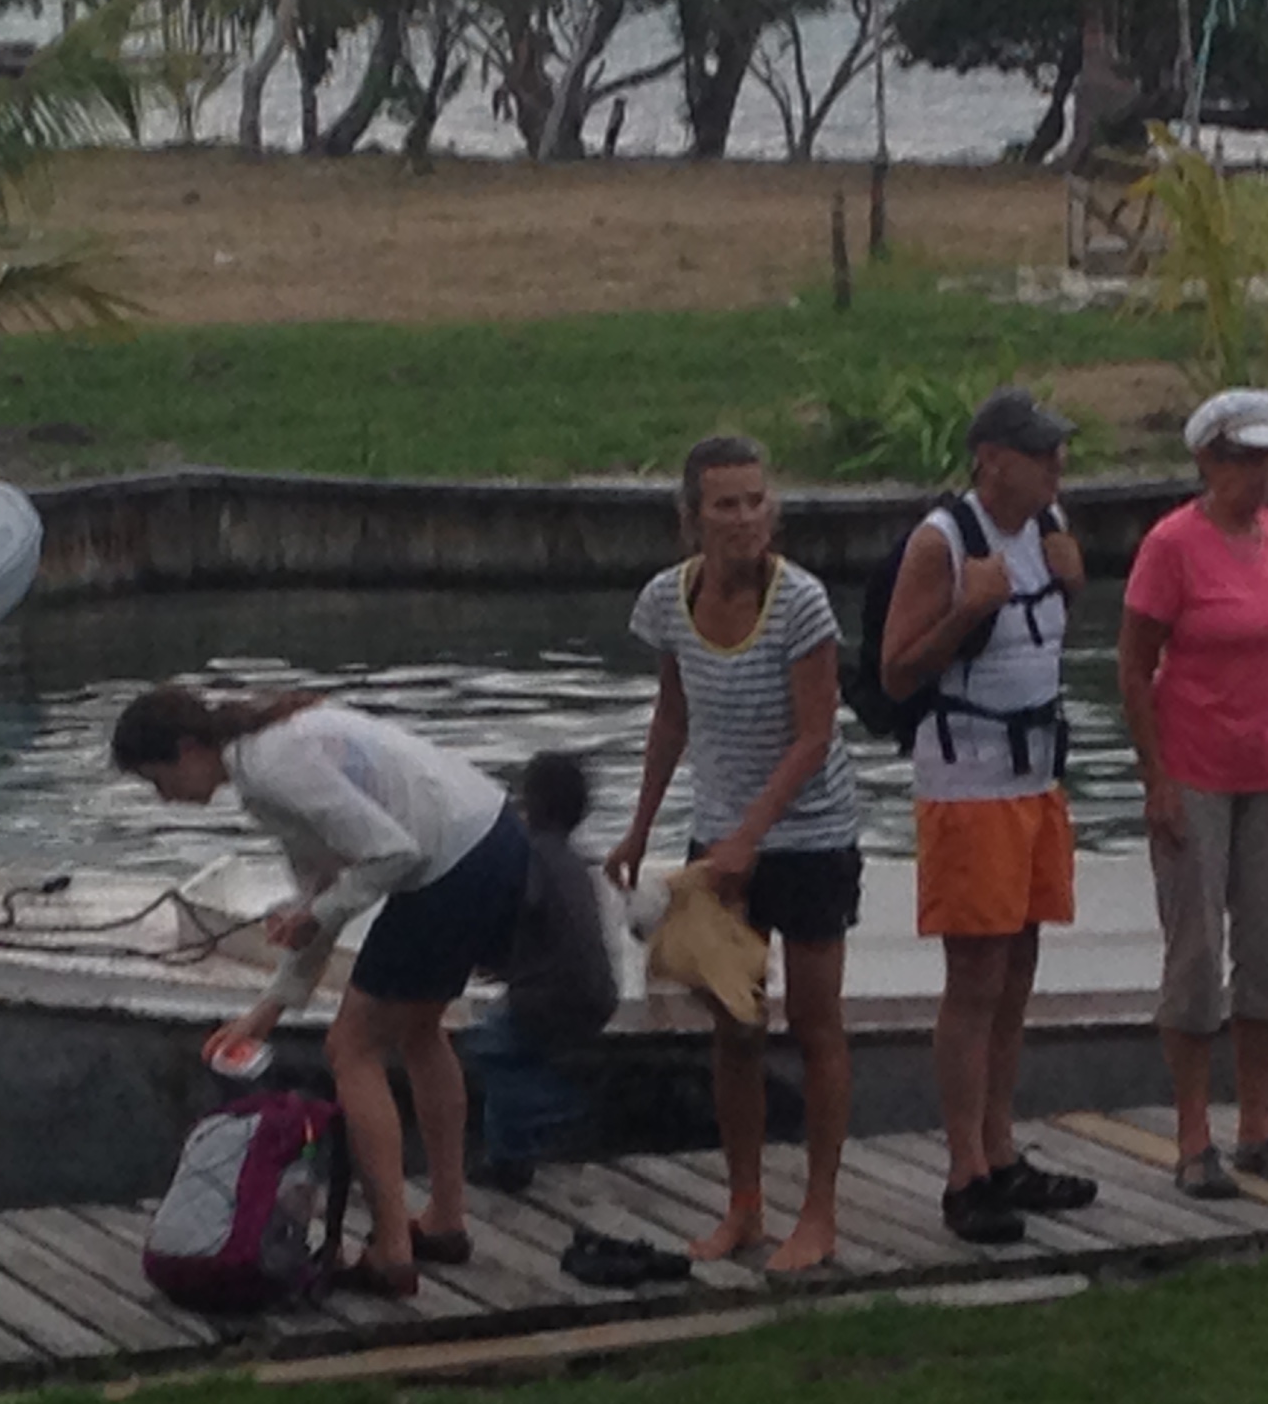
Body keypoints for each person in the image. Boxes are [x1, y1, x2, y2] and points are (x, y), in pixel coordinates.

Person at [112, 686, 527, 1299]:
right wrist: (267, 1010)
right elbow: (323, 892)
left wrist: (318, 913)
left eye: (158, 779)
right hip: (494, 838)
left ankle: (391, 1253)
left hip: (451, 864)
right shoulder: (264, 758)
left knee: (351, 1049)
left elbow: (391, 854)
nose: (164, 797)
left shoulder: (272, 769)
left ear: (188, 748)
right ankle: (444, 1220)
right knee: (418, 1032)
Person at [605, 435, 859, 1273]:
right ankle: (744, 1204)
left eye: (756, 501)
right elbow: (672, 716)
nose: (746, 519)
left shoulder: (802, 604)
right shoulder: (666, 600)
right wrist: (641, 826)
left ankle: (818, 1212)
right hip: (717, 834)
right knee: (735, 1026)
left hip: (811, 833)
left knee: (815, 1023)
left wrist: (756, 832)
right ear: (691, 519)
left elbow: (815, 735)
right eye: (726, 505)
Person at [876, 385, 1099, 1241]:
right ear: (992, 461)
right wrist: (967, 608)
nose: (1056, 466)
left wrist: (1071, 586)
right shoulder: (943, 542)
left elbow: (1037, 638)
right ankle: (964, 1170)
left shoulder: (1049, 528)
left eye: (1057, 451)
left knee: (1018, 969)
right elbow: (897, 670)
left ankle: (1001, 1150)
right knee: (974, 980)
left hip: (1036, 779)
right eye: (1040, 454)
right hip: (968, 784)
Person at [1117, 387, 1268, 1198]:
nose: (1262, 476)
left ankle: (1256, 1124)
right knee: (1197, 953)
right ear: (1208, 461)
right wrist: (1155, 778)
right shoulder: (1171, 545)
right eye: (1247, 460)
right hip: (1194, 768)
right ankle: (1192, 1134)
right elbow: (1133, 664)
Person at [463, 751, 619, 1195]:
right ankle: (510, 1161)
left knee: (486, 1047)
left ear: (528, 804)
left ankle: (567, 1108)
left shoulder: (529, 854)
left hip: (551, 996)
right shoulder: (573, 861)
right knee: (510, 1049)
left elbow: (517, 907)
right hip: (595, 990)